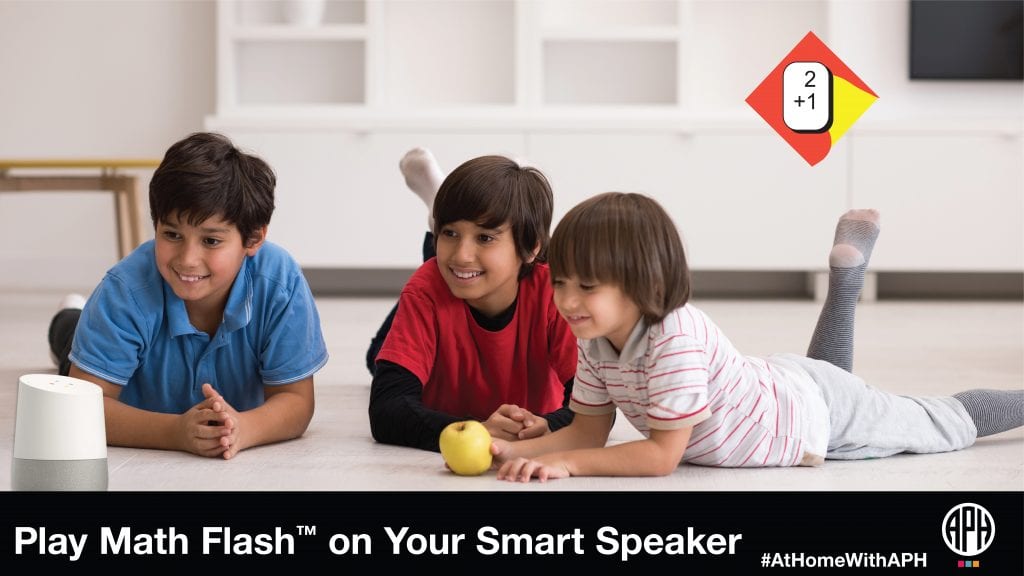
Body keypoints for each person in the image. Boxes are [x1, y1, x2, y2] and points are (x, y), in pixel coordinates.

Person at [491, 192, 1023, 481]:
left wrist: (565, 463)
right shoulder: (594, 335)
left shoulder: (671, 339)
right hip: (787, 387)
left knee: (944, 420)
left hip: (811, 415)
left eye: (587, 286)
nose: (566, 301)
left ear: (642, 284)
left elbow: (658, 458)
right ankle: (845, 283)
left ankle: (845, 284)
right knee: (835, 383)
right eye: (560, 283)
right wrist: (509, 450)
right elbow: (586, 434)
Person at [47, 132, 328, 460]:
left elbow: (296, 400)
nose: (187, 259)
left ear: (253, 239)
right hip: (113, 353)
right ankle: (70, 316)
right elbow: (82, 410)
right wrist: (174, 433)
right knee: (70, 340)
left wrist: (244, 427)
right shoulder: (126, 289)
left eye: (210, 241)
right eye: (171, 234)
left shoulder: (279, 283)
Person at [367, 149, 577, 451]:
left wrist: (549, 427)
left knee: (457, 268)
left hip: (476, 278)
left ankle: (444, 212)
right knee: (377, 355)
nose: (462, 253)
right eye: (449, 232)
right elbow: (387, 410)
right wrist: (476, 431)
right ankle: (446, 220)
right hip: (442, 287)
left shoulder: (556, 292)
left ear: (530, 248)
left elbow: (596, 408)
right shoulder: (426, 288)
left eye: (485, 237)